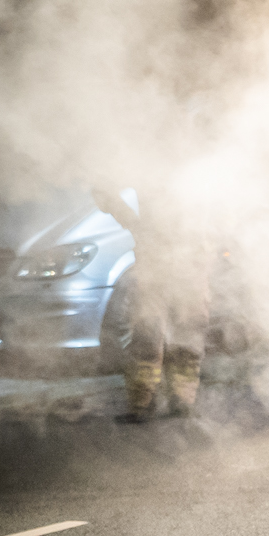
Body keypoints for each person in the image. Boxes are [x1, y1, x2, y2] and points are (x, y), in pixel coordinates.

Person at [91, 180, 215, 422]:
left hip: (190, 265)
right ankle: (143, 404)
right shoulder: (148, 164)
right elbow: (103, 186)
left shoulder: (200, 166)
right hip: (156, 265)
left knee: (187, 336)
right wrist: (132, 222)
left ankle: (180, 401)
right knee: (147, 335)